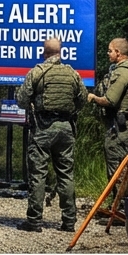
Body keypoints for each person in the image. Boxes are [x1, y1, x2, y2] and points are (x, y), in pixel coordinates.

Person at [15, 38, 86, 232]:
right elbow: (82, 100)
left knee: (38, 175)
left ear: (44, 53)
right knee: (66, 174)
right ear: (60, 53)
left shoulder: (37, 72)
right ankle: (69, 221)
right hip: (66, 129)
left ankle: (34, 221)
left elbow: (22, 100)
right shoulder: (72, 74)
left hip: (42, 129)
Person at [88, 37, 128, 180]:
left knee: (116, 164)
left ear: (118, 53)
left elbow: (110, 100)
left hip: (120, 129)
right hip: (120, 126)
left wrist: (93, 98)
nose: (108, 54)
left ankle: (118, 201)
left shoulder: (123, 73)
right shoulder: (127, 70)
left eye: (110, 51)